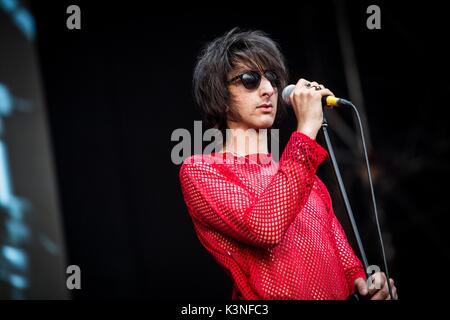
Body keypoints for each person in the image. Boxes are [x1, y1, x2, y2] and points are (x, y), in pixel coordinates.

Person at [179, 28, 397, 300]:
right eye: (250, 79)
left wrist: (371, 287)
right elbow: (265, 227)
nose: (269, 89)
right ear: (220, 97)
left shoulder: (307, 179)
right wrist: (306, 129)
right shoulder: (201, 170)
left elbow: (349, 269)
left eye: (271, 78)